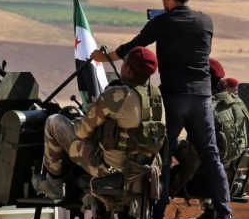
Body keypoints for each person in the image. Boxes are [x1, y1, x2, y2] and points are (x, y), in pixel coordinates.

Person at [92, 0, 234, 219]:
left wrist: (102, 58)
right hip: (201, 98)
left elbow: (133, 48)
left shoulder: (162, 23)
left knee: (164, 156)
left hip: (174, 97)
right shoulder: (206, 22)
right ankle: (226, 213)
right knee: (210, 155)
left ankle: (157, 215)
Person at [33, 46, 164, 202]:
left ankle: (53, 184)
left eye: (124, 63)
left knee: (53, 122)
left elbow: (82, 131)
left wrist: (83, 118)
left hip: (109, 168)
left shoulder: (117, 94)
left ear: (129, 70)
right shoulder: (157, 97)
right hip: (144, 169)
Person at [170, 59, 249, 197]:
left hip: (206, 182)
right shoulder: (236, 103)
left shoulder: (206, 111)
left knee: (168, 143)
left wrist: (173, 187)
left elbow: (193, 161)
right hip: (233, 178)